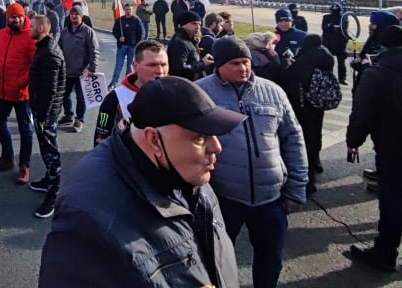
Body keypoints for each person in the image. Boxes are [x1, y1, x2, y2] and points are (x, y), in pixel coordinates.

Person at [39, 76, 245, 287]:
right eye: (200, 137)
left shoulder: (186, 169)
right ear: (154, 139)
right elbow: (102, 125)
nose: (217, 147)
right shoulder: (88, 217)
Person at [197, 36, 308, 288]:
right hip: (223, 200)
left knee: (271, 258)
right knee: (217, 259)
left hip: (271, 199)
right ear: (220, 65)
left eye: (246, 62)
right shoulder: (202, 93)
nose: (243, 68)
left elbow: (293, 139)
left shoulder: (273, 92)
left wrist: (297, 188)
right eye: (235, 63)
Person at [345, 25, 402, 272]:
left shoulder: (377, 74)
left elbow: (362, 114)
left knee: (392, 202)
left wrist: (353, 141)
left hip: (393, 149)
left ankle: (385, 253)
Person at [0, 3, 36, 182]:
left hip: (21, 93)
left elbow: (34, 65)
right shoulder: (1, 34)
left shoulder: (31, 36)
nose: (16, 19)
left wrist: (20, 83)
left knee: (25, 129)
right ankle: (7, 158)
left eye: (19, 16)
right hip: (1, 90)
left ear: (24, 17)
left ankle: (25, 166)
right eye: (12, 17)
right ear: (7, 18)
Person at [93, 40, 169, 146]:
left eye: (164, 65)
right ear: (135, 66)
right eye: (152, 65)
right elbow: (100, 139)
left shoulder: (176, 93)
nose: (160, 71)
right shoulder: (114, 98)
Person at [27, 15, 66, 218]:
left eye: (32, 26)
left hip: (47, 113)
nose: (29, 29)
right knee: (44, 147)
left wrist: (42, 116)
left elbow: (50, 90)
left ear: (42, 28)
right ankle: (48, 180)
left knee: (51, 150)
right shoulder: (43, 48)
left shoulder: (49, 52)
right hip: (42, 110)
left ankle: (54, 192)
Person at [287, 34, 336, 194]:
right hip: (317, 107)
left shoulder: (303, 62)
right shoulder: (325, 58)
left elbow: (287, 79)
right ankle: (316, 164)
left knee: (304, 140)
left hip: (302, 107)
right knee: (315, 135)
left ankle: (308, 180)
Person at [58, 5, 99, 133]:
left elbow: (94, 51)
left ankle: (79, 120)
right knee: (64, 95)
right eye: (72, 14)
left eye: (76, 14)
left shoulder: (88, 32)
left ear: (81, 16)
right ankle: (68, 115)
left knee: (81, 98)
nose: (74, 16)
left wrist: (92, 68)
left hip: (83, 72)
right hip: (66, 71)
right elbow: (58, 50)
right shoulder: (64, 32)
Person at [167, 10, 214, 81]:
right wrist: (203, 64)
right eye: (194, 23)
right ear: (183, 24)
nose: (198, 27)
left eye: (199, 24)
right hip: (184, 86)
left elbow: (192, 60)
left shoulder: (190, 40)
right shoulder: (179, 43)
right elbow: (179, 69)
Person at [109, 3, 143, 89]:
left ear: (132, 10)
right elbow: (114, 31)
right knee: (118, 65)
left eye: (130, 9)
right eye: (127, 9)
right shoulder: (120, 20)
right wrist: (119, 38)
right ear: (124, 10)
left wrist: (136, 43)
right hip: (122, 46)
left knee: (130, 66)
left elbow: (141, 33)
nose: (128, 11)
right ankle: (113, 83)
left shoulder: (136, 20)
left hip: (132, 47)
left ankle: (128, 84)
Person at [321, 2, 348, 85]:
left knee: (341, 62)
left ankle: (342, 78)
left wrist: (337, 28)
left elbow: (344, 29)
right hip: (329, 42)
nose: (335, 11)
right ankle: (329, 78)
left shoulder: (343, 18)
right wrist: (330, 26)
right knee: (328, 62)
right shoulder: (326, 17)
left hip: (340, 43)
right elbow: (324, 27)